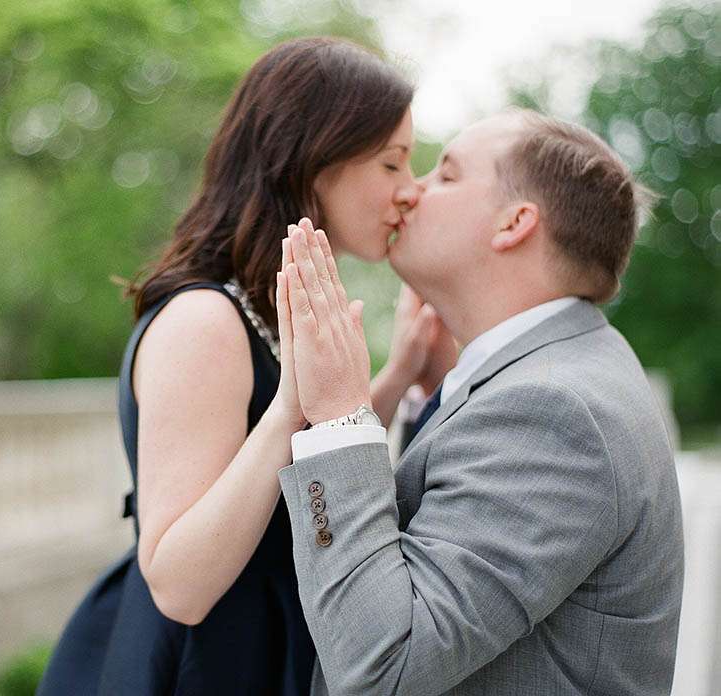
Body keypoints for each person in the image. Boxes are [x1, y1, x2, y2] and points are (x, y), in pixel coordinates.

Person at [37, 37, 450, 696]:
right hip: (195, 666)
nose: (411, 191)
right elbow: (177, 583)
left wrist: (396, 375)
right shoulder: (205, 322)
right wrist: (292, 406)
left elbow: (283, 468)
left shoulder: (257, 309)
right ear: (314, 159)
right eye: (392, 163)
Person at [274, 110, 684, 695]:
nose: (411, 191)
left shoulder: (554, 413)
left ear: (514, 222)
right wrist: (437, 396)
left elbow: (381, 666)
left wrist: (342, 415)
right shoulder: (562, 369)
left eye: (446, 175)